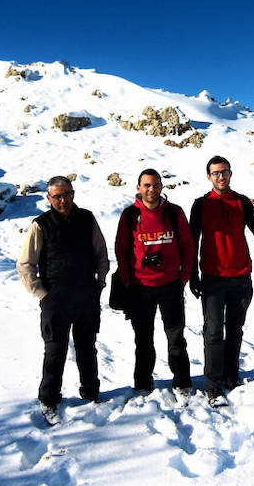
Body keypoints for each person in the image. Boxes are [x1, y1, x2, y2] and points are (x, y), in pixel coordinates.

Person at [17, 176, 109, 422]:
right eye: (57, 196)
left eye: (67, 194)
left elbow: (101, 252)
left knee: (86, 348)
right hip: (55, 298)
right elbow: (25, 264)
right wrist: (41, 293)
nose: (63, 200)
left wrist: (100, 281)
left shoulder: (87, 219)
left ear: (73, 194)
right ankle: (49, 399)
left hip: (86, 295)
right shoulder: (41, 225)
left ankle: (91, 393)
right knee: (55, 350)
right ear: (49, 198)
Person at [189, 155, 254, 406]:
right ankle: (213, 385)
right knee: (214, 332)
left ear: (230, 173)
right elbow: (192, 240)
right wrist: (193, 276)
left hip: (241, 277)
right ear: (209, 177)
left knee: (235, 330)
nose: (221, 176)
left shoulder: (241, 202)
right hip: (213, 278)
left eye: (224, 172)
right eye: (216, 173)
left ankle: (231, 377)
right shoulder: (201, 204)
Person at [114, 168, 195, 398]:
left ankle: (182, 382)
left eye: (156, 184)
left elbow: (188, 245)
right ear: (138, 188)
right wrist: (128, 280)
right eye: (147, 185)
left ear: (162, 187)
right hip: (141, 288)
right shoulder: (130, 215)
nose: (152, 189)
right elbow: (121, 249)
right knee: (143, 339)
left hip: (171, 285)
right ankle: (142, 383)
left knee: (176, 338)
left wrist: (184, 277)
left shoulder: (173, 212)